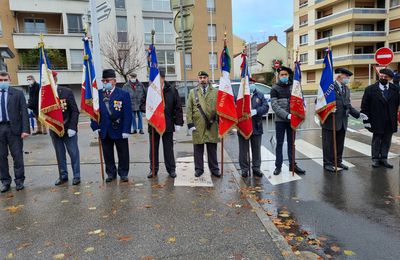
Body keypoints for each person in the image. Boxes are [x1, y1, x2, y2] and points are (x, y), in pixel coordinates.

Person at [91, 69, 132, 182]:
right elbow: (93, 111)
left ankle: (123, 173)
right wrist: (95, 126)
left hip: (119, 129)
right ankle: (111, 173)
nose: (105, 83)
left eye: (107, 80)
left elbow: (127, 113)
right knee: (107, 154)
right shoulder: (98, 94)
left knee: (123, 153)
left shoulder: (123, 94)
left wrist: (126, 130)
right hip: (104, 129)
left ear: (114, 81)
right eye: (103, 81)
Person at [144, 69, 183, 179]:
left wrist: (178, 123)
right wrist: (149, 111)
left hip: (168, 123)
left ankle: (171, 169)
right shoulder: (149, 91)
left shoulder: (172, 90)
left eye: (158, 79)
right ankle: (153, 169)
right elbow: (143, 104)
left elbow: (178, 107)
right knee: (153, 148)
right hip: (154, 124)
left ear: (163, 78)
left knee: (168, 148)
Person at [321, 68, 360, 172]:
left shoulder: (346, 89)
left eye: (348, 77)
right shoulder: (329, 88)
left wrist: (359, 114)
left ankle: (337, 161)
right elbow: (319, 101)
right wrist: (328, 108)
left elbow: (347, 105)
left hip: (342, 121)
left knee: (340, 143)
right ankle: (328, 163)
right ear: (339, 76)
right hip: (330, 121)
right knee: (328, 144)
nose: (347, 79)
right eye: (346, 76)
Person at [360, 68, 400, 168]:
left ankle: (384, 158)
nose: (382, 78)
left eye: (385, 77)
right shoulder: (370, 89)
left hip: (390, 120)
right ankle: (375, 159)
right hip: (376, 120)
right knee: (376, 139)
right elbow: (364, 106)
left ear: (390, 78)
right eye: (381, 76)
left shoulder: (395, 89)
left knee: (387, 140)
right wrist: (366, 121)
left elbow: (397, 104)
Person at [271, 66, 306, 175]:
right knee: (280, 144)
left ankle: (292, 165)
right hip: (281, 121)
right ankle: (278, 166)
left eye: (286, 75)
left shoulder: (294, 87)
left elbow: (299, 102)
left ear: (289, 75)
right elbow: (275, 106)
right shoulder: (274, 88)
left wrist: (298, 113)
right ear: (279, 76)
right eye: (282, 75)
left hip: (292, 121)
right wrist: (287, 116)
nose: (284, 76)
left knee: (292, 144)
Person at [49, 71, 81, 186]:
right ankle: (63, 176)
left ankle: (76, 176)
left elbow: (75, 111)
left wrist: (72, 127)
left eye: (52, 78)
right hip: (54, 129)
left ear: (55, 79)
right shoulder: (44, 94)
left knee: (73, 153)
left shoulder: (66, 92)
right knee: (59, 154)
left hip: (68, 129)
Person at [0, 71, 30, 192]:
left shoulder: (18, 94)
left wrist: (25, 130)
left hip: (14, 130)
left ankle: (19, 181)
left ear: (9, 80)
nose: (3, 82)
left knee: (17, 156)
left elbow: (24, 113)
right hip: (0, 129)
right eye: (0, 80)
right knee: (1, 157)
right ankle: (5, 182)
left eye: (5, 80)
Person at [187, 71, 220, 178]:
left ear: (208, 78)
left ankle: (214, 169)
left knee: (212, 149)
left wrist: (222, 123)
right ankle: (199, 169)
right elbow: (189, 109)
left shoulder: (215, 92)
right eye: (200, 77)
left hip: (212, 124)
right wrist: (190, 123)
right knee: (198, 149)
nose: (202, 79)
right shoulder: (193, 92)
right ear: (198, 79)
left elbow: (220, 108)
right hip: (198, 125)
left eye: (204, 77)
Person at [239, 84, 269, 178]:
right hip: (243, 126)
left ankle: (256, 168)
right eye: (248, 83)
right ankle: (244, 169)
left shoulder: (260, 95)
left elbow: (266, 107)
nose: (250, 85)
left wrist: (256, 111)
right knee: (243, 150)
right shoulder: (240, 95)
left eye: (251, 83)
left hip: (256, 126)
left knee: (256, 149)